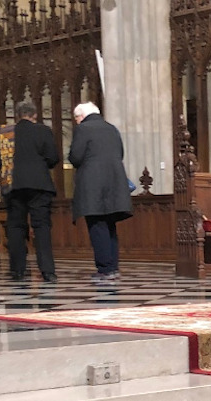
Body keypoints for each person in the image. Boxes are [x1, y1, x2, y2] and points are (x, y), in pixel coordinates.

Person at [0, 100, 60, 282]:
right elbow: (53, 158)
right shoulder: (43, 131)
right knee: (42, 227)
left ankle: (18, 270)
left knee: (15, 226)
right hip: (39, 185)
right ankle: (48, 271)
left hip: (14, 185)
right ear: (35, 115)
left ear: (17, 115)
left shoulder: (6, 133)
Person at [69, 101, 133, 284]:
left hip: (93, 185)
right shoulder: (112, 128)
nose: (76, 122)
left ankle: (104, 270)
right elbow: (120, 153)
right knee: (110, 226)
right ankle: (113, 267)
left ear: (81, 116)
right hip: (114, 183)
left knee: (97, 225)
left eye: (76, 119)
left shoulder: (83, 129)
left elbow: (76, 157)